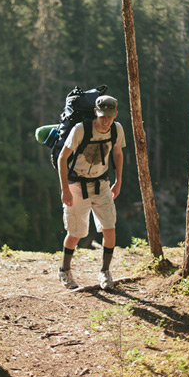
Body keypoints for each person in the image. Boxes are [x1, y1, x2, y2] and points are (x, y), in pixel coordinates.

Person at [57, 95, 126, 290]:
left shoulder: (116, 129)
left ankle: (105, 272)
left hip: (101, 183)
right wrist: (65, 190)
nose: (106, 121)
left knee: (109, 228)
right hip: (76, 185)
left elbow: (118, 153)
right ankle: (65, 270)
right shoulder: (81, 130)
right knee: (76, 232)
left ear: (115, 115)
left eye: (110, 117)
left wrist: (118, 181)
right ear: (96, 112)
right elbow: (63, 158)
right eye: (103, 116)